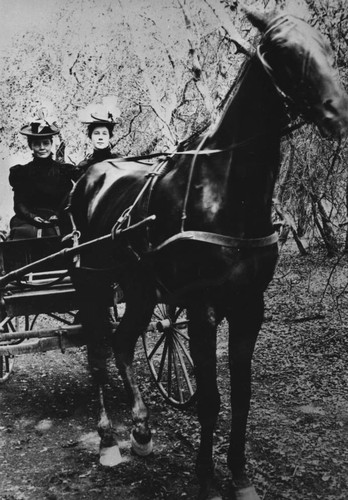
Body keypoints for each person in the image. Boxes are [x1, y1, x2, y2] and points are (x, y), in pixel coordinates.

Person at [9, 119, 79, 240]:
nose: (42, 148)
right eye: (37, 144)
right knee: (23, 234)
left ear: (51, 144)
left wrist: (58, 215)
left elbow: (70, 198)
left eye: (45, 143)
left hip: (60, 218)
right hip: (28, 220)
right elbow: (19, 203)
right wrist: (32, 217)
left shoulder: (64, 171)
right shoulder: (22, 172)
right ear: (31, 146)